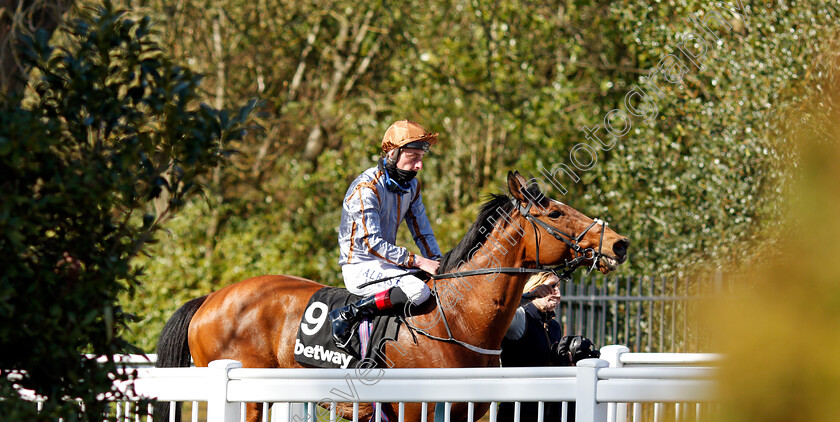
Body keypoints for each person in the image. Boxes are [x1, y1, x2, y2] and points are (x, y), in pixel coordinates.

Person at [329, 120, 443, 346]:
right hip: (360, 267)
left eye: (421, 158)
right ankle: (349, 313)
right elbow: (373, 244)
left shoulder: (412, 187)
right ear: (393, 153)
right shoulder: (366, 188)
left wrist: (438, 261)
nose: (419, 165)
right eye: (413, 158)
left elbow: (423, 233)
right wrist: (420, 262)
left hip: (386, 265)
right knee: (419, 291)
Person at [498, 272, 600, 422]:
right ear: (534, 287)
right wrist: (529, 296)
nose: (557, 293)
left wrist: (567, 362)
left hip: (549, 411)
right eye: (551, 287)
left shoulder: (554, 326)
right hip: (519, 411)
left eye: (558, 287)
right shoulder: (520, 317)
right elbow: (500, 310)